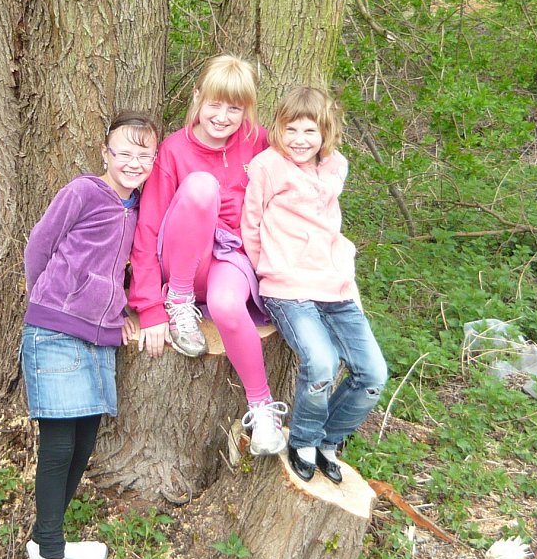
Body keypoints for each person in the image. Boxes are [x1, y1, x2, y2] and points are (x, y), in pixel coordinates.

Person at [20, 111, 161, 559]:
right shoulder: (83, 191)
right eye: (124, 152)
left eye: (144, 155)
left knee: (83, 443)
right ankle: (50, 553)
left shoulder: (139, 208)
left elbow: (126, 267)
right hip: (55, 329)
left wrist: (120, 311)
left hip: (100, 337)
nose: (133, 163)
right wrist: (51, 298)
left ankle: (46, 540)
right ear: (105, 153)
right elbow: (39, 245)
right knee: (59, 444)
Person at [128, 54, 287, 456]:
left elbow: (298, 184)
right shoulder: (173, 149)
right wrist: (150, 307)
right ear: (197, 96)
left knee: (227, 305)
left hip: (230, 257)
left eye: (234, 108)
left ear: (246, 110)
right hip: (183, 260)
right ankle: (179, 302)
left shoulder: (258, 141)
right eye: (215, 104)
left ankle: (262, 409)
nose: (222, 116)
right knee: (201, 187)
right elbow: (147, 230)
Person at [241, 85, 387, 485]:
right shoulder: (267, 166)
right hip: (288, 289)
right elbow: (251, 225)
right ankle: (303, 440)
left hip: (335, 287)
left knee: (373, 375)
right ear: (278, 128)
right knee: (321, 363)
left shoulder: (335, 167)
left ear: (325, 133)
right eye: (291, 129)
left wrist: (343, 274)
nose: (299, 140)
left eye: (310, 131)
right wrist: (269, 270)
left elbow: (329, 228)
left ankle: (328, 440)